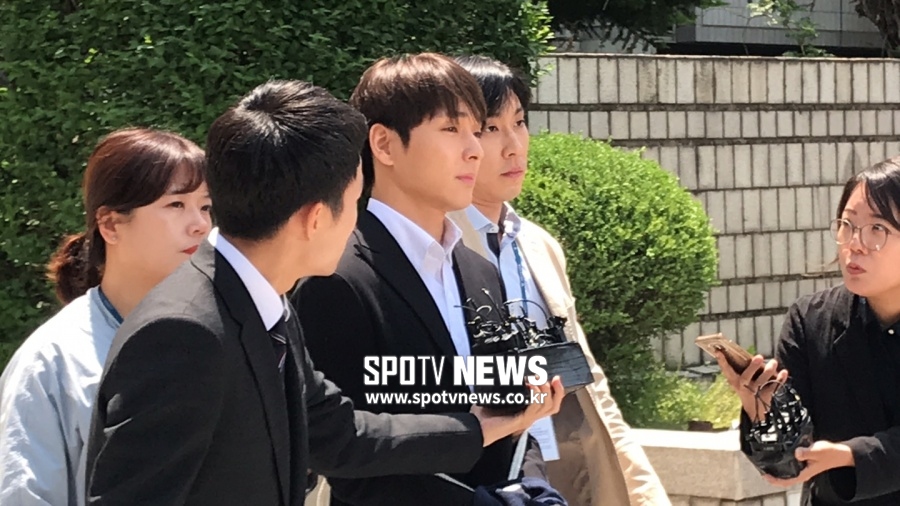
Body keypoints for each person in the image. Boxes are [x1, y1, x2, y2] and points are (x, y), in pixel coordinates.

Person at [85, 79, 563, 506]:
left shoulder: (266, 305)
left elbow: (341, 435)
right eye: (354, 203)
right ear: (316, 218)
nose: (358, 222)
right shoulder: (184, 332)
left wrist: (483, 427)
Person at [291, 53, 561, 506]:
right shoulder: (336, 277)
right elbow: (345, 455)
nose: (475, 149)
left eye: (476, 130)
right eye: (451, 129)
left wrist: (534, 489)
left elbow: (512, 418)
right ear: (384, 144)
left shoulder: (479, 271)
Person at [446, 55, 670, 506]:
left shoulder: (537, 244)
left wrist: (644, 490)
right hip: (483, 477)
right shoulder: (437, 245)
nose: (513, 146)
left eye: (520, 123)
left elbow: (590, 381)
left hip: (567, 470)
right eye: (491, 128)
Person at [0, 128, 213, 506]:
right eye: (176, 205)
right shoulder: (53, 362)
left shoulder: (227, 337)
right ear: (111, 225)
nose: (200, 224)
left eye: (206, 206)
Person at [716, 156, 900, 505]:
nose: (854, 243)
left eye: (877, 228)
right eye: (847, 225)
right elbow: (787, 464)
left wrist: (853, 455)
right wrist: (762, 411)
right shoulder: (811, 320)